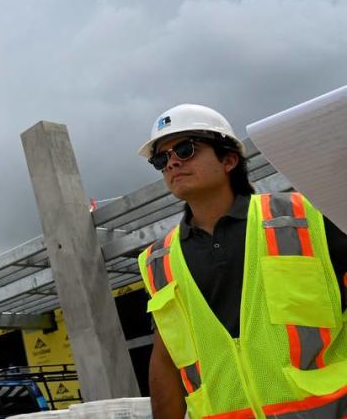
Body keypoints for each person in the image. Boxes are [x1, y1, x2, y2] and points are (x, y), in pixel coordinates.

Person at [137, 104, 347, 419]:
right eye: (161, 158)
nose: (172, 162)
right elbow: (165, 359)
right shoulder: (158, 261)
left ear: (229, 159)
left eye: (185, 148)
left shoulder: (307, 215)